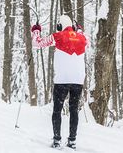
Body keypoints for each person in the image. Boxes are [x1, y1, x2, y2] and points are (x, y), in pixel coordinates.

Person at [31, 15, 88, 149]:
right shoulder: (83, 38)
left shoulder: (57, 36)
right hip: (78, 80)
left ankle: (57, 140)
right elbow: (87, 41)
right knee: (74, 110)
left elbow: (37, 43)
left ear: (59, 26)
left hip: (62, 79)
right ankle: (72, 140)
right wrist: (79, 31)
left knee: (57, 110)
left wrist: (36, 31)